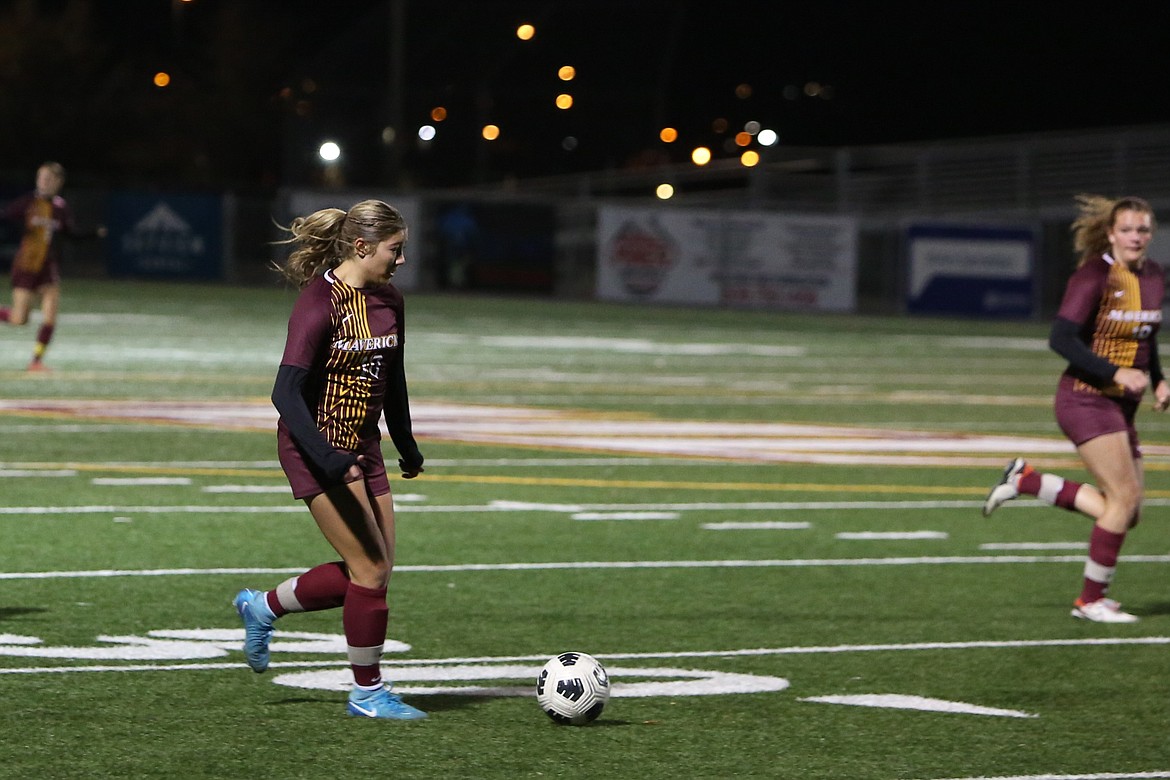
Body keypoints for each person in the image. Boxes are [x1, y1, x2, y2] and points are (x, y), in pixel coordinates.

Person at [234, 199, 427, 720]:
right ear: (362, 247)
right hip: (315, 448)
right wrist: (327, 456)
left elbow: (394, 378)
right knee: (368, 570)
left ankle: (263, 606)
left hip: (363, 447)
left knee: (376, 573)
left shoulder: (390, 300)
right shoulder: (320, 302)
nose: (401, 260)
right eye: (396, 249)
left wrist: (404, 442)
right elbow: (285, 391)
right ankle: (367, 692)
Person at [983, 194, 1169, 623]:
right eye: (1127, 229)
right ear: (1110, 233)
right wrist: (1116, 372)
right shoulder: (1094, 275)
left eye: (1143, 229)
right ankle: (1090, 600)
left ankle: (1028, 482)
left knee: (1129, 511)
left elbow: (1146, 335)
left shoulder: (1155, 275)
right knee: (1123, 498)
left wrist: (1158, 378)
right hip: (1085, 397)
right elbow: (1061, 338)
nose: (1136, 237)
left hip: (1121, 406)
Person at [0, 161, 104, 371]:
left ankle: (36, 362)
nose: (43, 182)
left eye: (48, 178)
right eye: (41, 177)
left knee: (50, 316)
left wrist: (95, 233)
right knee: (20, 319)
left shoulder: (60, 207)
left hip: (48, 268)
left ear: (59, 182)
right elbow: (4, 215)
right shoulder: (28, 202)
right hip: (26, 266)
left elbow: (70, 234)